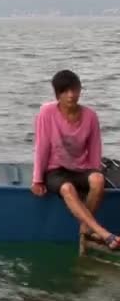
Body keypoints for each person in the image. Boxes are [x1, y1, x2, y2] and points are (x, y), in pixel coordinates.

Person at [30, 69, 118, 249]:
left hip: (80, 168)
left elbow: (95, 149)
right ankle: (103, 233)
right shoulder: (47, 113)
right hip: (55, 170)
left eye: (75, 90)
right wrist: (38, 179)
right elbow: (42, 147)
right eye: (65, 91)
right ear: (58, 94)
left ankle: (85, 229)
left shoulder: (90, 116)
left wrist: (95, 175)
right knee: (67, 188)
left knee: (98, 179)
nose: (71, 95)